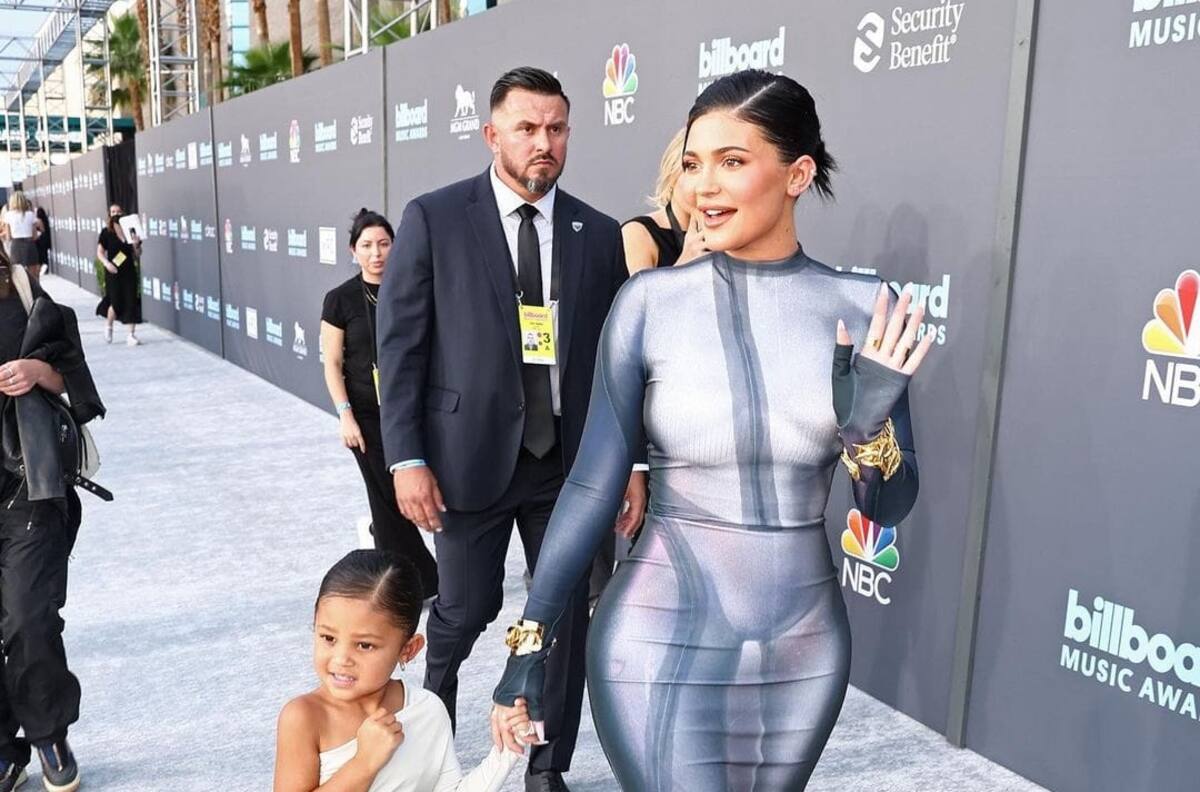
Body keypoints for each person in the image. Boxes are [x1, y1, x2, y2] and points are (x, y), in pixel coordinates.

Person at [491, 70, 935, 790]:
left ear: (798, 174)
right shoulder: (649, 304)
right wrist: (530, 640)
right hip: (658, 632)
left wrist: (868, 429)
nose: (704, 186)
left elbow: (884, 506)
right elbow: (591, 485)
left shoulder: (862, 307)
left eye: (733, 161)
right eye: (694, 164)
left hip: (802, 646)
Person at [377, 67, 646, 792]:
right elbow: (399, 349)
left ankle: (544, 764)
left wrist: (633, 467)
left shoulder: (596, 233)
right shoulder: (435, 217)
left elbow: (618, 364)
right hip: (465, 462)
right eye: (527, 128)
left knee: (560, 619)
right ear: (492, 133)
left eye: (557, 128)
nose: (544, 143)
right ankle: (431, 746)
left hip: (569, 468)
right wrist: (405, 456)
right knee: (463, 614)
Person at [273, 550, 532, 792]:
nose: (341, 659)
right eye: (328, 638)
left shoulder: (427, 709)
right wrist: (364, 763)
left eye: (364, 645)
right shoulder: (304, 718)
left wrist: (506, 751)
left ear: (408, 650)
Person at [0, 250, 105, 792]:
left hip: (27, 486)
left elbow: (79, 387)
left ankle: (47, 734)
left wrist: (38, 372)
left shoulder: (27, 300)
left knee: (27, 617)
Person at [320, 209, 438, 600]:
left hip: (415, 413)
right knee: (386, 501)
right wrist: (345, 416)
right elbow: (333, 364)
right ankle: (416, 583)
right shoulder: (340, 300)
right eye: (367, 245)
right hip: (367, 418)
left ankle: (413, 571)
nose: (377, 253)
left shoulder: (413, 291)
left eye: (384, 244)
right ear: (353, 250)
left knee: (411, 497)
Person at [619, 128, 706, 273]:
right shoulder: (638, 233)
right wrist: (683, 265)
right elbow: (637, 296)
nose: (704, 186)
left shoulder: (723, 231)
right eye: (692, 168)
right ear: (672, 173)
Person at [95, 204, 143, 346]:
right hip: (113, 271)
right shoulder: (106, 232)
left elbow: (138, 254)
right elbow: (100, 252)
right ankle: (109, 326)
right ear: (109, 214)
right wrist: (106, 264)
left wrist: (136, 245)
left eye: (118, 211)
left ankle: (131, 335)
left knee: (131, 300)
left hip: (128, 271)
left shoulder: (130, 231)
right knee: (115, 303)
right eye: (113, 212)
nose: (116, 214)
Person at [1, 191, 43, 278]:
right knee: (34, 276)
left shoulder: (8, 215)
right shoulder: (30, 215)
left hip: (16, 246)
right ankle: (35, 291)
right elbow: (34, 236)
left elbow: (8, 237)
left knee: (18, 276)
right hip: (30, 245)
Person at [34, 206, 51, 278]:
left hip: (41, 240)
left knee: (42, 256)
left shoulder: (39, 221)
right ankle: (45, 269)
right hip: (44, 240)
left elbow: (42, 230)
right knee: (44, 255)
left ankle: (44, 269)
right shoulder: (44, 220)